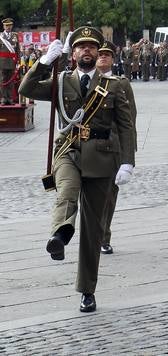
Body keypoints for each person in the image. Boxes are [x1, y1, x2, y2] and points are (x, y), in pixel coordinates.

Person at [18, 26, 135, 313]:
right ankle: (59, 235)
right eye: (81, 46)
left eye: (91, 47)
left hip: (102, 158)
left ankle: (87, 290)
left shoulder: (114, 86)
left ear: (98, 53)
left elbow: (126, 125)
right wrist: (45, 61)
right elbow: (26, 88)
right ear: (74, 53)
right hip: (68, 152)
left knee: (93, 229)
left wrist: (128, 161)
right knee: (67, 191)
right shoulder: (60, 81)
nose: (86, 51)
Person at [96, 40, 137, 254]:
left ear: (113, 58)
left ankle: (103, 236)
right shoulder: (83, 81)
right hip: (88, 146)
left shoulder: (121, 83)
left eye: (107, 54)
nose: (102, 57)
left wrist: (128, 155)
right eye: (100, 53)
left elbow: (129, 119)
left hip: (113, 147)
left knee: (108, 196)